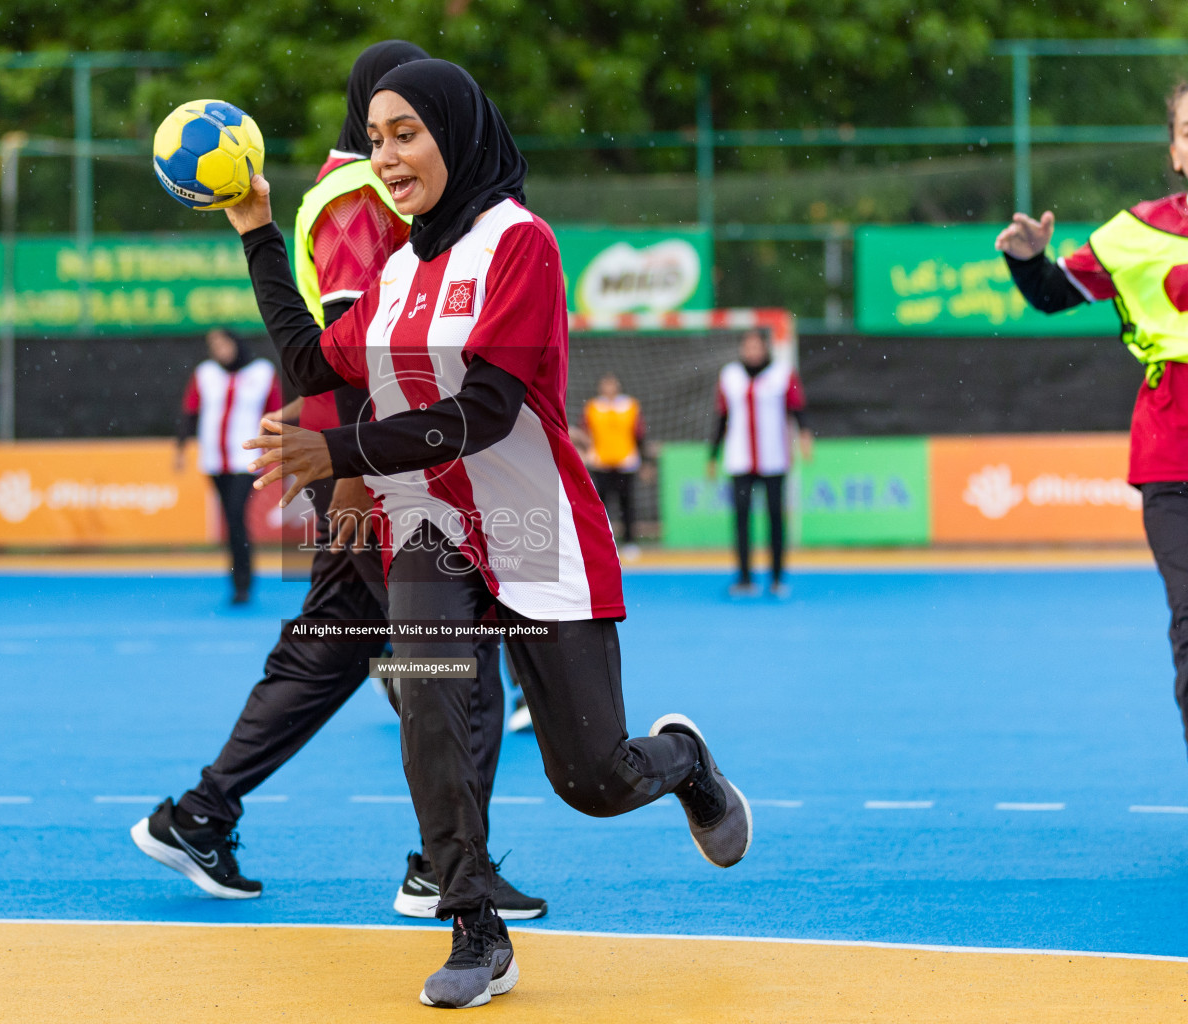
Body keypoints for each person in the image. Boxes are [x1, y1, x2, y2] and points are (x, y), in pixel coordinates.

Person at [227, 59, 752, 1010]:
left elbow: (485, 413)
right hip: (429, 528)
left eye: (407, 135)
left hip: (535, 526)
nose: (386, 157)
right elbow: (311, 355)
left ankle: (683, 763)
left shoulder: (522, 246)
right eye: (375, 137)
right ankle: (475, 929)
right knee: (431, 713)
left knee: (592, 779)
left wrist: (335, 447)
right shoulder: (397, 271)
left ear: (458, 134)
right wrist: (258, 228)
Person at [131, 41, 545, 924]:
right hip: (374, 466)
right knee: (454, 652)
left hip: (371, 458)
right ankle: (444, 868)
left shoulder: (375, 193)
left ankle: (200, 814)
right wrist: (357, 468)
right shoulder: (361, 199)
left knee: (336, 642)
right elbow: (355, 349)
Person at [996, 80, 1188, 765]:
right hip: (1174, 460)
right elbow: (1053, 293)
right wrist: (1027, 260)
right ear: (1175, 149)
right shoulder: (1135, 234)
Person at [706, 330, 812, 598]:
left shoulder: (782, 374)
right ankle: (744, 577)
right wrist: (712, 454)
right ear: (742, 349)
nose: (752, 351)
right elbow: (721, 417)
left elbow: (798, 409)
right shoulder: (729, 376)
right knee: (741, 518)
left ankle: (776, 578)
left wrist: (806, 435)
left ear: (765, 348)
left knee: (775, 517)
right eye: (748, 346)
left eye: (757, 346)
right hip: (739, 458)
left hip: (774, 458)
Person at [179, 327, 279, 604]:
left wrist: (277, 447)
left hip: (246, 459)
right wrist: (180, 447)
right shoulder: (205, 374)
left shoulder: (261, 372)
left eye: (223, 344)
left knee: (236, 515)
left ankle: (243, 582)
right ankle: (238, 579)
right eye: (214, 345)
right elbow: (190, 410)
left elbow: (276, 413)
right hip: (213, 459)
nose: (220, 350)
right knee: (230, 518)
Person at [578, 372, 654, 549]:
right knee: (600, 506)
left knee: (627, 504)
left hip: (625, 462)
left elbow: (639, 434)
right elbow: (584, 434)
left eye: (612, 384)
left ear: (618, 386)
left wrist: (645, 462)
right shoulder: (592, 408)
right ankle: (601, 541)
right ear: (600, 387)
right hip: (600, 463)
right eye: (606, 384)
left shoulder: (630, 406)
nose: (609, 388)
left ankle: (629, 542)